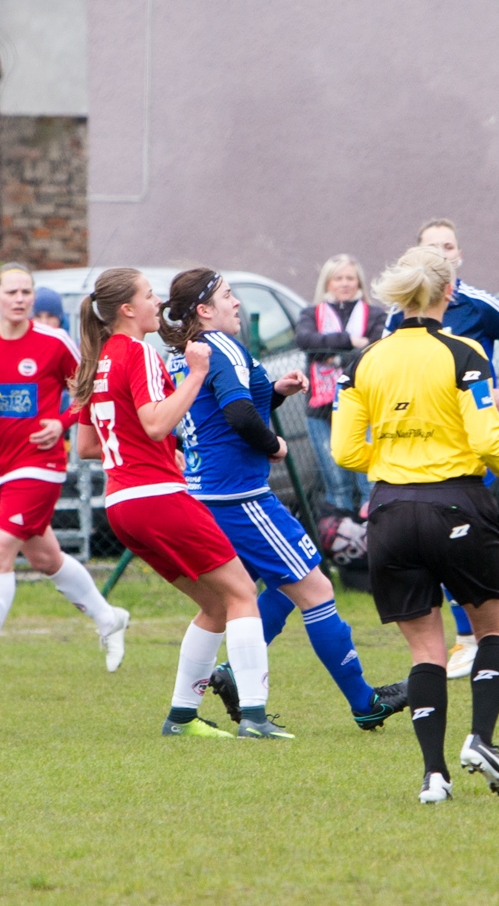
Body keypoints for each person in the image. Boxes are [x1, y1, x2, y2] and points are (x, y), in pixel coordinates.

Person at [161, 268, 404, 732]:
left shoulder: (186, 353)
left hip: (206, 493)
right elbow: (234, 414)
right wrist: (273, 445)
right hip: (240, 497)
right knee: (316, 590)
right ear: (204, 310)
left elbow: (213, 412)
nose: (237, 304)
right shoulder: (223, 346)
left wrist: (273, 393)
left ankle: (208, 691)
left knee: (248, 595)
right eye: (228, 295)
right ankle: (363, 701)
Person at [332, 245, 499, 802]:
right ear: (449, 293)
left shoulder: (365, 359)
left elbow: (345, 451)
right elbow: (488, 439)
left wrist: (399, 465)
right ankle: (482, 740)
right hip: (458, 506)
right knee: (496, 631)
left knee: (426, 652)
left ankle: (433, 777)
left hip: (391, 513)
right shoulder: (466, 353)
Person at [73, 268, 292, 740]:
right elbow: (154, 424)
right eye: (149, 296)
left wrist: (154, 444)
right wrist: (194, 375)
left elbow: (87, 446)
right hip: (157, 497)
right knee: (241, 594)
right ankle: (254, 717)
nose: (158, 303)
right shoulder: (137, 354)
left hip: (122, 505)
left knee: (215, 604)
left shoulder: (100, 358)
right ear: (128, 310)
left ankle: (182, 716)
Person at [0, 264, 130, 676]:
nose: (21, 299)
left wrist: (60, 425)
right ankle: (108, 618)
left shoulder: (53, 341)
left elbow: (87, 392)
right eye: (13, 291)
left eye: (27, 291)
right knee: (45, 557)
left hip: (40, 466)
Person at [395, 217, 499, 682]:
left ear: (459, 254)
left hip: (472, 441)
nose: (442, 254)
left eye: (449, 246)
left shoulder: (481, 306)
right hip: (426, 445)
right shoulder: (399, 314)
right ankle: (472, 639)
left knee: (469, 541)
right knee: (446, 542)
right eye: (432, 248)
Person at [296, 254, 386, 516]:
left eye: (350, 277)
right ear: (327, 282)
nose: (344, 283)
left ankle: (373, 541)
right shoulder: (310, 313)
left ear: (359, 281)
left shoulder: (376, 314)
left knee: (370, 482)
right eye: (338, 278)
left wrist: (333, 355)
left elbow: (375, 348)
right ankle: (343, 544)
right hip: (320, 410)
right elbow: (305, 340)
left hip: (366, 405)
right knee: (337, 485)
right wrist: (350, 340)